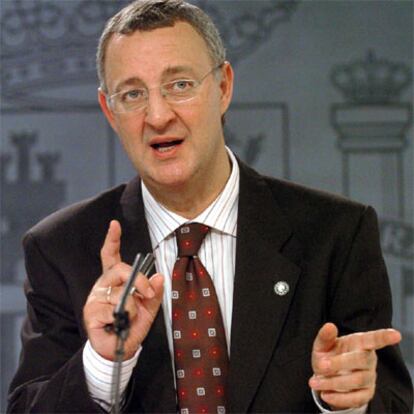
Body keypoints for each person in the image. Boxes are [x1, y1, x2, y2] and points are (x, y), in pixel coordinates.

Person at [7, 1, 413, 413]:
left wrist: (347, 402)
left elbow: (393, 402)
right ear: (110, 111)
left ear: (223, 87)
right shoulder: (61, 249)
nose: (159, 115)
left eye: (180, 85)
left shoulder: (336, 234)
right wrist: (101, 364)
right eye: (132, 94)